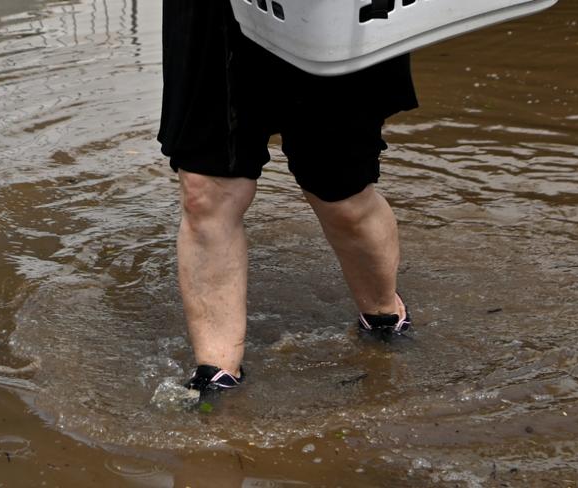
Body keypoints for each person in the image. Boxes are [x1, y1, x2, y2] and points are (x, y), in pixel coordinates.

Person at [158, 1, 418, 393]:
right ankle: (217, 376)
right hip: (214, 16)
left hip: (333, 13)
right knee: (206, 192)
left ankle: (383, 315)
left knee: (340, 192)